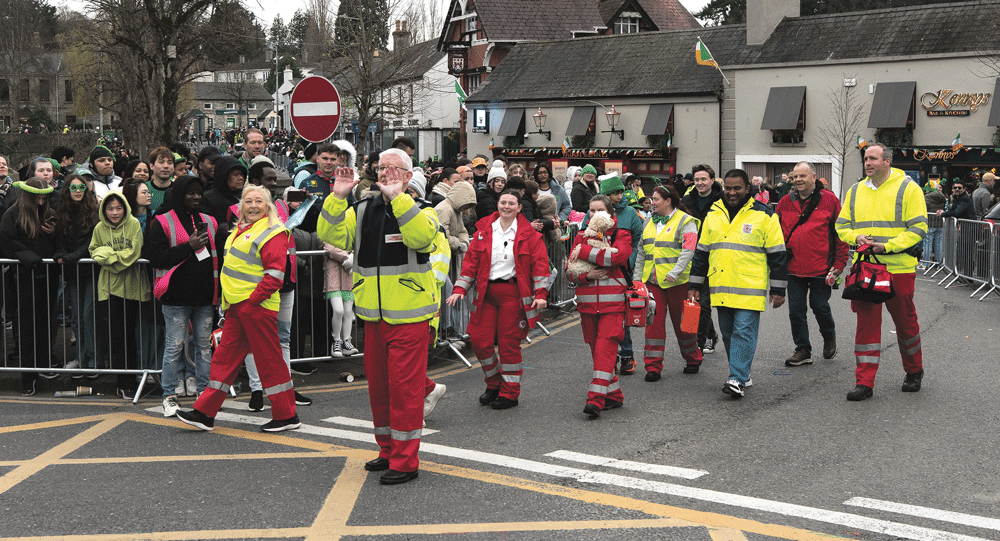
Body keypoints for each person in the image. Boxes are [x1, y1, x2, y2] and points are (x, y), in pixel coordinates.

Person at [317, 149, 441, 485]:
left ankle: (405, 460)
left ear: (407, 174)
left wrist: (399, 199)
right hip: (373, 317)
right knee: (380, 390)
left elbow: (421, 237)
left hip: (410, 317)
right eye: (381, 167)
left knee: (405, 391)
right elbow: (331, 237)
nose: (385, 172)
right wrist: (337, 198)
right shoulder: (361, 209)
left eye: (393, 168)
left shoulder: (422, 209)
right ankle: (387, 449)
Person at [177, 184, 300, 432]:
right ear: (240, 206)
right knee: (224, 359)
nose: (253, 206)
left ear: (268, 206)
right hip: (239, 306)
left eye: (258, 201)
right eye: (248, 201)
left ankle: (287, 415)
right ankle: (204, 412)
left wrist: (252, 301)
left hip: (256, 306)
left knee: (269, 360)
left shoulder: (273, 231)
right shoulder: (242, 230)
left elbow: (275, 276)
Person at [835, 143, 926, 401]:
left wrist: (888, 246)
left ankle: (914, 370)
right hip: (866, 268)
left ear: (887, 161)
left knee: (905, 323)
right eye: (866, 159)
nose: (868, 163)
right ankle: (864, 382)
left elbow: (919, 228)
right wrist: (856, 237)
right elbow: (841, 226)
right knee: (866, 327)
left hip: (899, 268)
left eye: (873, 158)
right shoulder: (855, 190)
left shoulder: (909, 188)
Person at [689, 169, 787, 399]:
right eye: (728, 188)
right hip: (721, 286)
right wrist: (694, 284)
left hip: (749, 288)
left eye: (737, 188)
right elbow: (701, 253)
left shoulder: (765, 215)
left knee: (743, 331)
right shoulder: (714, 213)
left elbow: (778, 255)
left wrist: (778, 289)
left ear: (748, 189)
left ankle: (737, 378)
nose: (732, 193)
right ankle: (742, 372)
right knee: (729, 334)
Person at [146, 175, 218, 416]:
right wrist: (189, 246)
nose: (196, 197)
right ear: (179, 194)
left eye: (199, 192)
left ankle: (204, 393)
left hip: (205, 296)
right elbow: (156, 259)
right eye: (190, 193)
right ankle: (168, 395)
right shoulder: (161, 222)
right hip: (175, 297)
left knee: (204, 348)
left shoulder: (210, 221)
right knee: (174, 347)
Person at [775, 162, 850, 367]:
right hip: (793, 268)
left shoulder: (829, 200)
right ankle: (803, 349)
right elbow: (774, 235)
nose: (798, 180)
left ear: (814, 177)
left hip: (821, 267)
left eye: (803, 176)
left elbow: (841, 235)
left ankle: (829, 336)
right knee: (796, 311)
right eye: (795, 176)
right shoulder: (784, 202)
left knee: (820, 306)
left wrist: (839, 264)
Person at [566, 194, 631, 418]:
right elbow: (569, 272)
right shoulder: (581, 236)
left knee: (604, 351)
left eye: (599, 210)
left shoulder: (622, 234)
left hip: (613, 306)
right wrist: (587, 276)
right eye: (591, 211)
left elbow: (615, 259)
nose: (594, 215)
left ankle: (595, 400)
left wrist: (583, 252)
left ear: (610, 214)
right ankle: (615, 395)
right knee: (599, 354)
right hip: (586, 306)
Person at [632, 186, 703, 378]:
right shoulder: (648, 221)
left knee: (686, 325)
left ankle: (693, 358)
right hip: (653, 283)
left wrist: (675, 271)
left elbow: (689, 249)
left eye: (655, 199)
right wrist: (637, 279)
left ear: (668, 200)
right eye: (652, 199)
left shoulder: (686, 221)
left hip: (680, 282)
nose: (652, 203)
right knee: (653, 325)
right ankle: (653, 367)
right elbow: (640, 252)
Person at [1, 178, 59, 395]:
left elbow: (58, 244)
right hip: (24, 276)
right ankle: (28, 376)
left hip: (47, 276)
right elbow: (5, 241)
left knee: (44, 322)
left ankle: (43, 364)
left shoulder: (48, 212)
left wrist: (54, 233)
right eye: (38, 196)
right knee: (26, 326)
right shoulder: (12, 214)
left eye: (44, 196)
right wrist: (29, 257)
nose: (42, 200)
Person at [90, 191, 151, 399]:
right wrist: (116, 259)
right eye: (109, 208)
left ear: (125, 208)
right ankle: (122, 382)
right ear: (103, 211)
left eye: (118, 208)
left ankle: (131, 380)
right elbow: (94, 251)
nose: (114, 212)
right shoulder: (99, 228)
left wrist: (111, 259)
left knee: (131, 336)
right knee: (117, 336)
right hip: (109, 288)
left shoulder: (133, 224)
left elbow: (135, 251)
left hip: (132, 287)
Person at [681, 164, 723, 355]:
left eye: (703, 179)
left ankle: (700, 341)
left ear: (712, 181)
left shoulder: (721, 200)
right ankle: (709, 335)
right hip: (693, 255)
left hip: (715, 255)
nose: (699, 183)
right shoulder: (687, 200)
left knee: (704, 302)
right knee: (695, 301)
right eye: (697, 179)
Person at [200, 156, 246, 225]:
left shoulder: (245, 196)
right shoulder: (208, 199)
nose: (241, 178)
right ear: (224, 176)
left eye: (242, 174)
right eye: (235, 175)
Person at [923, 181, 946, 264]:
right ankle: (939, 262)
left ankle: (926, 263)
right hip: (939, 223)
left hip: (929, 224)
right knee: (939, 244)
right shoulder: (942, 197)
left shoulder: (926, 198)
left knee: (927, 244)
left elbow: (923, 210)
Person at [146, 147, 174, 214]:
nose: (166, 166)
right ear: (152, 166)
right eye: (161, 162)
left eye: (170, 163)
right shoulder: (144, 188)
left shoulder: (179, 189)